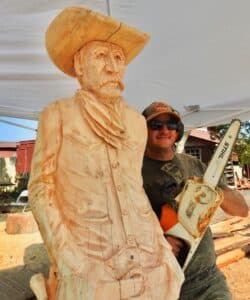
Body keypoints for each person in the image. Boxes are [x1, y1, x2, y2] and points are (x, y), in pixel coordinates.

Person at [28, 7, 184, 300]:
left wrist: (163, 252)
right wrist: (69, 259)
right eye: (101, 56)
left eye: (119, 58)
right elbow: (40, 189)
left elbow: (133, 190)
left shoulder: (137, 123)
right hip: (90, 265)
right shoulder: (57, 115)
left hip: (150, 260)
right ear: (79, 65)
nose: (113, 68)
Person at [142, 101, 248, 300]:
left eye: (171, 125)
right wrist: (155, 241)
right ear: (143, 130)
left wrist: (210, 191)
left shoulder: (196, 165)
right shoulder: (133, 173)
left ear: (178, 130)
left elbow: (242, 210)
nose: (164, 130)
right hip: (165, 286)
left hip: (208, 278)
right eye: (156, 125)